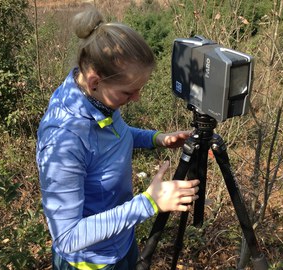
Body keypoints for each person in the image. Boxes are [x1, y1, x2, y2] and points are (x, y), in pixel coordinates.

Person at [36, 3, 200, 270]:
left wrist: (157, 138)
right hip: (91, 263)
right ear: (95, 81)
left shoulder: (98, 101)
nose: (135, 98)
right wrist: (148, 203)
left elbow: (116, 136)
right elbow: (66, 238)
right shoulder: (63, 139)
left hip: (121, 243)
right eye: (128, 92)